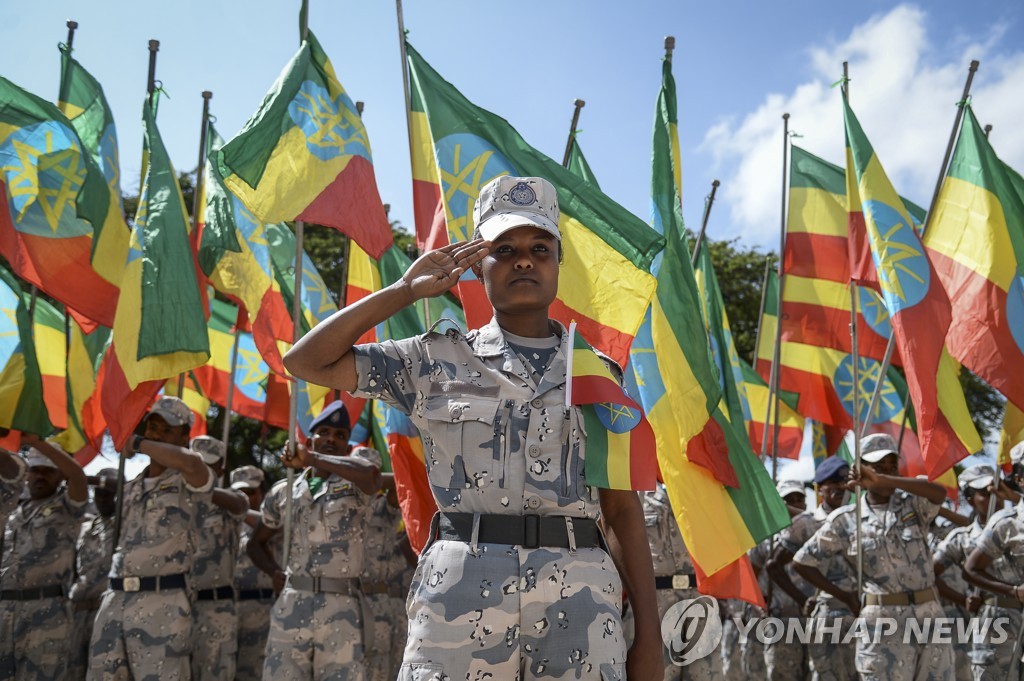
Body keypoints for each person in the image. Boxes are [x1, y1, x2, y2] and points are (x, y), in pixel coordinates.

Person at [282, 175, 662, 681]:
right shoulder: (433, 360)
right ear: (476, 265)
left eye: (539, 248)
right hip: (459, 596)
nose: (523, 260)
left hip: (581, 600)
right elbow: (306, 361)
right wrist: (401, 291)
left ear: (557, 262)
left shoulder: (598, 373)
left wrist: (650, 639)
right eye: (503, 249)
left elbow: (620, 510)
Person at [793, 433, 954, 681]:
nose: (886, 472)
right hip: (882, 621)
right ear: (861, 469)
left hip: (929, 615)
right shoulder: (846, 519)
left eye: (892, 465)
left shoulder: (912, 504)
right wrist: (844, 595)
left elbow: (938, 493)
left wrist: (885, 479)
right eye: (878, 467)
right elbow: (803, 562)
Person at [247, 401, 381, 681]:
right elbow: (256, 542)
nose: (331, 438)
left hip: (341, 606)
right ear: (310, 440)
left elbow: (372, 477)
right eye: (324, 432)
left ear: (347, 448)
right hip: (293, 602)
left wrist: (313, 460)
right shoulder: (284, 491)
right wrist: (273, 571)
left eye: (340, 435)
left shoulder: (357, 484)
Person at [87, 396, 214, 681]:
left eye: (166, 429)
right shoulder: (130, 487)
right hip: (116, 598)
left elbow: (190, 462)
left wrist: (137, 442)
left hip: (162, 602)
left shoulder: (191, 479)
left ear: (185, 436)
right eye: (152, 426)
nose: (155, 433)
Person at [0, 437, 87, 680]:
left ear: (60, 476)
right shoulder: (14, 512)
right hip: (6, 609)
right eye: (35, 470)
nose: (40, 476)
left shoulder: (69, 507)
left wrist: (36, 442)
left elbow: (78, 476)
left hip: (47, 612)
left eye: (48, 472)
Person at [768, 457, 855, 681]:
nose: (839, 486)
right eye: (832, 482)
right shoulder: (806, 523)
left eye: (844, 481)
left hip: (860, 614)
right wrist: (802, 599)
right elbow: (774, 566)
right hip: (825, 614)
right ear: (820, 488)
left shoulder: (861, 519)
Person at [639, 481, 723, 680]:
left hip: (699, 598)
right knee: (659, 673)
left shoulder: (700, 489)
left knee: (704, 673)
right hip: (656, 600)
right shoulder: (637, 493)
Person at [935, 465, 1006, 681]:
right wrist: (963, 599)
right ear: (969, 499)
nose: (994, 497)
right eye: (984, 493)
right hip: (990, 623)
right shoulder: (962, 538)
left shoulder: (1018, 528)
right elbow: (929, 574)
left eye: (998, 490)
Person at [189, 436, 248, 681]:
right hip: (178, 605)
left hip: (216, 610)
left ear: (221, 467)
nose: (200, 470)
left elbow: (240, 505)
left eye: (208, 465)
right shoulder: (178, 498)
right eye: (196, 464)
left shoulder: (228, 500)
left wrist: (201, 485)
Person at [964, 444, 1024, 681]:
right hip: (1004, 623)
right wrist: (1014, 591)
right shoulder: (1007, 523)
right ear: (1019, 479)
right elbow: (971, 570)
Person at [69, 468, 119, 681]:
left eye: (109, 493)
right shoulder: (85, 528)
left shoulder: (127, 527)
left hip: (108, 615)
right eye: (99, 493)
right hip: (78, 615)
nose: (103, 499)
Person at [763, 479, 812, 681]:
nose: (794, 503)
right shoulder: (769, 538)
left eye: (798, 499)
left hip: (813, 620)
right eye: (787, 500)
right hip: (782, 620)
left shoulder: (815, 530)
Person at [231, 465, 276, 681]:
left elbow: (267, 523)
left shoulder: (270, 522)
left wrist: (238, 507)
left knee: (253, 673)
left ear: (262, 494)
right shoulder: (226, 521)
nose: (245, 497)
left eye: (250, 492)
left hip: (260, 610)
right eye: (239, 493)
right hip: (228, 608)